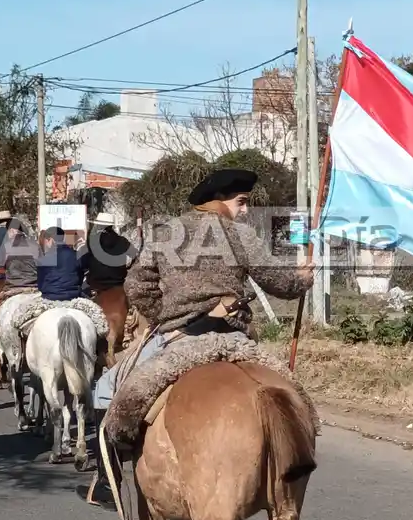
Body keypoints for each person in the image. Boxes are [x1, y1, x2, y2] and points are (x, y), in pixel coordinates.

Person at [97, 168, 313, 420]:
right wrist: (302, 280)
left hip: (178, 336)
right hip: (234, 337)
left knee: (104, 393)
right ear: (218, 197)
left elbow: (136, 285)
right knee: (297, 403)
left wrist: (165, 315)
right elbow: (280, 284)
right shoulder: (242, 235)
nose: (245, 211)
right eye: (241, 202)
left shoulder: (166, 233)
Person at [82, 211, 133, 355]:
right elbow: (134, 255)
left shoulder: (91, 242)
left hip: (95, 285)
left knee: (78, 298)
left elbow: (83, 261)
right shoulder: (122, 241)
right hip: (119, 283)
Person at [37, 227, 83, 302]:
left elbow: (40, 283)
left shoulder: (44, 258)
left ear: (50, 239)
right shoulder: (76, 255)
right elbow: (80, 276)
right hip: (73, 296)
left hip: (50, 297)